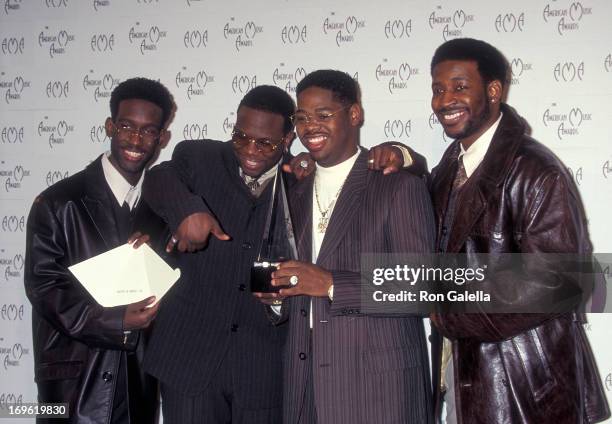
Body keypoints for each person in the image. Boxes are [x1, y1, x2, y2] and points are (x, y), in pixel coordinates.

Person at [141, 84, 409, 424]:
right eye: (241, 137)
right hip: (189, 360)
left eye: (265, 143)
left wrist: (401, 152)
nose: (250, 150)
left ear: (287, 140)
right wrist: (186, 210)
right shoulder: (198, 157)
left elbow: (395, 170)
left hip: (265, 369)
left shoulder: (303, 178)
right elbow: (158, 178)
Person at [427, 38, 610, 423]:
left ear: (494, 91)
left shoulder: (536, 170)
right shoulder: (449, 169)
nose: (445, 101)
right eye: (438, 89)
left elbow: (557, 282)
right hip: (465, 376)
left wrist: (445, 312)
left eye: (460, 87)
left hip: (525, 387)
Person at [270, 69, 435, 423]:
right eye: (301, 118)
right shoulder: (293, 192)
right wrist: (275, 298)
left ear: (355, 115)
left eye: (323, 115)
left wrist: (330, 284)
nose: (309, 127)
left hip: (378, 390)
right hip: (304, 386)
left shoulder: (397, 186)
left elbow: (421, 289)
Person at [24, 77, 174, 423]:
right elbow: (44, 289)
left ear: (162, 138)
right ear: (110, 126)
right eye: (126, 126)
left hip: (138, 387)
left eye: (149, 131)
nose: (136, 140)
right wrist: (114, 321)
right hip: (72, 388)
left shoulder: (161, 211)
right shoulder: (59, 202)